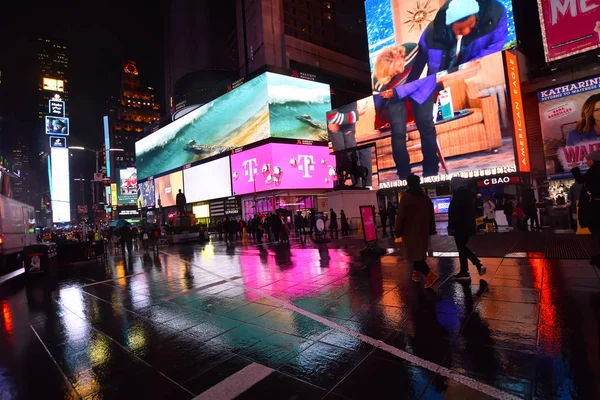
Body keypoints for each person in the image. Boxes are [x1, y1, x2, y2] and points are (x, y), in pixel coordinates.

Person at [375, 44, 440, 178]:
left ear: (398, 56)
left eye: (398, 66)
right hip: (393, 96)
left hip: (419, 86)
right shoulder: (378, 82)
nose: (400, 71)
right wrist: (384, 116)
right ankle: (404, 174)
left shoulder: (414, 50)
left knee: (426, 123)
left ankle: (431, 168)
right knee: (398, 131)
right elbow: (379, 102)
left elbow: (431, 71)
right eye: (393, 73)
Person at [395, 174, 439, 288]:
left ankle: (430, 275)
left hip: (410, 233)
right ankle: (415, 274)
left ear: (408, 184)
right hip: (423, 232)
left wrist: (397, 231)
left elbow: (400, 217)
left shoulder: (406, 198)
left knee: (415, 256)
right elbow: (431, 215)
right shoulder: (425, 197)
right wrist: (431, 229)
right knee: (418, 254)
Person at [326, 99, 372, 187]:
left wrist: (354, 115)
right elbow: (333, 119)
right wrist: (356, 114)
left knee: (351, 151)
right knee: (341, 153)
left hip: (346, 121)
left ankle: (361, 184)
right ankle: (351, 183)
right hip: (339, 121)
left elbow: (334, 120)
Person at [448, 177, 485, 280]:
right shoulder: (468, 194)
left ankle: (478, 264)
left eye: (451, 184)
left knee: (462, 248)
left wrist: (451, 227)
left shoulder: (459, 194)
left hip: (459, 226)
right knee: (462, 248)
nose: (450, 186)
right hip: (468, 226)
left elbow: (454, 212)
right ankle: (464, 271)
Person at [571, 151, 600, 266]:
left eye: (588, 160)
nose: (587, 162)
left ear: (594, 160)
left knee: (597, 230)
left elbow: (580, 179)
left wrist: (575, 168)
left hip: (596, 206)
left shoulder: (594, 171)